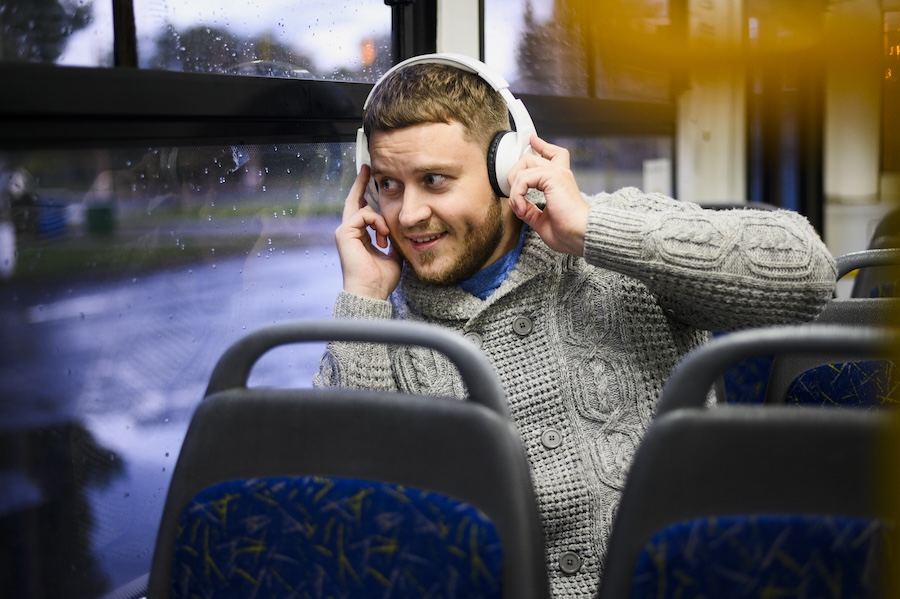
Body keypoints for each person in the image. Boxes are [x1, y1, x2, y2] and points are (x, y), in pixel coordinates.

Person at [314, 55, 837, 598]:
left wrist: (593, 229)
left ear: (507, 168)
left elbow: (809, 276)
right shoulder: (384, 331)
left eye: (435, 181)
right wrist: (365, 299)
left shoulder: (615, 246)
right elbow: (337, 519)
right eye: (390, 186)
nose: (408, 214)